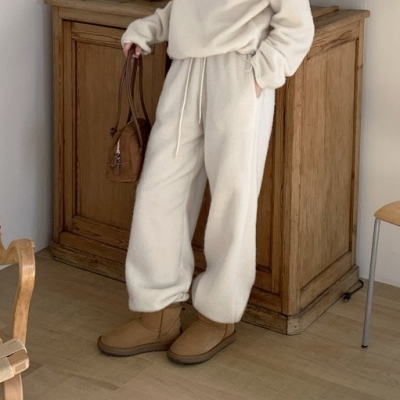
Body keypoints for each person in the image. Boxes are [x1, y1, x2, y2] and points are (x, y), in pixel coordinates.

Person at [98, 0, 314, 365]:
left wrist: (261, 73)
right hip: (185, 70)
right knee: (158, 191)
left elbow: (297, 24)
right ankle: (158, 313)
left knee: (233, 198)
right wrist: (149, 29)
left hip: (239, 71)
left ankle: (218, 316)